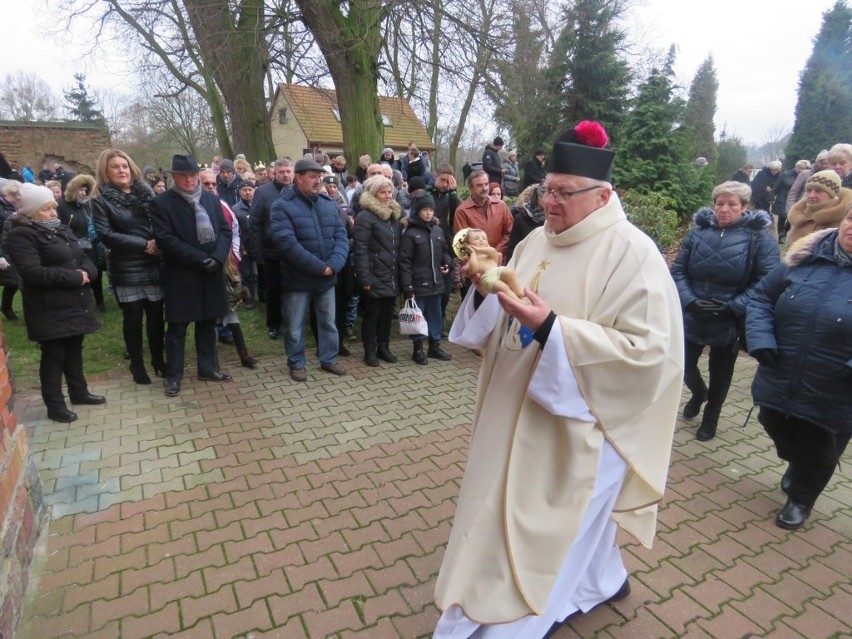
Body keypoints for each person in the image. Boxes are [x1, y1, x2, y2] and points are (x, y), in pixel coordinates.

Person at [433, 120, 684, 639]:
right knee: (547, 526)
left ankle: (506, 627)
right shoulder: (536, 242)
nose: (550, 203)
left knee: (541, 535)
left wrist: (550, 327)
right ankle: (603, 580)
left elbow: (650, 356)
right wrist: (484, 288)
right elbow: (501, 320)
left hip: (581, 425)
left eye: (565, 194)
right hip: (513, 411)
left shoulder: (633, 255)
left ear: (603, 195)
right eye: (548, 190)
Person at [745, 209, 852, 529]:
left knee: (821, 445)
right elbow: (762, 296)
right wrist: (760, 338)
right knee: (772, 417)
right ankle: (799, 462)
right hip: (782, 367)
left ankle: (802, 499)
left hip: (838, 383)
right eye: (851, 220)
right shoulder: (804, 256)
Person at [671, 181, 779, 441]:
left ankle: (712, 415)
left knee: (721, 372)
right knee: (681, 365)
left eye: (732, 204)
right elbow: (678, 271)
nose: (724, 209)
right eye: (720, 203)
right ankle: (698, 393)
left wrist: (734, 306)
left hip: (728, 318)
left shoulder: (758, 237)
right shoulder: (698, 232)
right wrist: (689, 301)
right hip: (693, 313)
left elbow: (767, 281)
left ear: (744, 207)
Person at [5, 184, 105, 423]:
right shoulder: (20, 235)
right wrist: (75, 277)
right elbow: (32, 272)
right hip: (48, 306)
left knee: (74, 348)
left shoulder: (61, 229)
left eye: (53, 208)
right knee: (54, 355)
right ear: (30, 212)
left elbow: (83, 256)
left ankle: (79, 392)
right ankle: (55, 404)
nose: (53, 213)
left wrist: (88, 272)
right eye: (46, 210)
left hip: (74, 303)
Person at [149, 154, 233, 398]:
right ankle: (174, 376)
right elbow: (166, 239)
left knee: (208, 324)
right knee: (177, 329)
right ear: (175, 177)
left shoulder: (210, 199)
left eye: (193, 175)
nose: (189, 179)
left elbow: (225, 231)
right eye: (184, 175)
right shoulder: (162, 203)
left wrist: (217, 258)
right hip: (182, 274)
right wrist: (199, 259)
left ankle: (208, 368)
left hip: (211, 272)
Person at [269, 158, 349, 382]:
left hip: (327, 278)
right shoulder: (282, 206)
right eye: (313, 177)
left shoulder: (327, 203)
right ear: (298, 178)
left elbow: (341, 236)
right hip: (298, 280)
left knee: (328, 322)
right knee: (294, 326)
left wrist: (333, 265)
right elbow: (287, 245)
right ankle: (296, 363)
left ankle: (329, 359)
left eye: (319, 177)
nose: (317, 181)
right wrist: (320, 268)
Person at [91, 149, 166, 384]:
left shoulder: (147, 193)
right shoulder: (100, 199)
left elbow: (161, 221)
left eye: (124, 166)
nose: (121, 170)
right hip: (127, 266)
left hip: (153, 264)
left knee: (156, 318)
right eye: (115, 166)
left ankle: (158, 360)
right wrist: (143, 244)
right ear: (105, 171)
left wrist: (159, 242)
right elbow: (105, 234)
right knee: (133, 319)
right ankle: (137, 364)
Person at [353, 175, 402, 367]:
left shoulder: (393, 215)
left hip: (391, 274)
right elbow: (360, 248)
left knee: (387, 315)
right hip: (373, 274)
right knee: (372, 315)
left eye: (390, 191)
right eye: (383, 192)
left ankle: (384, 347)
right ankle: (370, 351)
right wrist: (364, 277)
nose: (388, 195)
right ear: (374, 194)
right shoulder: (365, 216)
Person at [399, 193, 453, 365]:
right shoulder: (410, 233)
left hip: (437, 283)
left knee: (436, 315)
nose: (429, 213)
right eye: (425, 210)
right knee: (418, 316)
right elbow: (404, 262)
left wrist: (447, 262)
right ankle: (418, 349)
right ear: (417, 211)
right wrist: (407, 287)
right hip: (418, 284)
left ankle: (434, 346)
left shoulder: (438, 230)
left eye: (431, 210)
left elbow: (445, 251)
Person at [248, 158, 294, 339]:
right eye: (281, 171)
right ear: (274, 173)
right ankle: (274, 324)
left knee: (293, 290)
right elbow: (254, 223)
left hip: (294, 251)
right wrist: (258, 253)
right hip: (271, 252)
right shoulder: (263, 193)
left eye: (288, 171)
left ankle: (293, 322)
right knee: (273, 290)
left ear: (293, 173)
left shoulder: (298, 191)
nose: (285, 175)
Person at [58, 174, 107, 313]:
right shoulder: (60, 205)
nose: (83, 193)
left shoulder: (86, 206)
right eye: (80, 189)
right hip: (71, 247)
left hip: (90, 246)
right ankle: (79, 304)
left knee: (96, 274)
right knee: (77, 277)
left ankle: (100, 301)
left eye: (86, 190)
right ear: (72, 189)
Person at [453, 170, 513, 264]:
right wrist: (481, 256)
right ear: (470, 188)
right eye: (479, 185)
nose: (484, 188)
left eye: (486, 184)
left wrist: (494, 251)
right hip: (476, 264)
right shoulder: (462, 211)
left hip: (500, 260)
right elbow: (462, 242)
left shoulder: (501, 206)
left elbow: (509, 232)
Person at [453, 227, 525, 300]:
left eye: (484, 238)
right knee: (503, 288)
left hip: (497, 270)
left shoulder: (489, 253)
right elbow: (474, 270)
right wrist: (473, 253)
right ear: (467, 244)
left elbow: (493, 251)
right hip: (487, 278)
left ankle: (519, 293)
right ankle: (517, 301)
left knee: (510, 273)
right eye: (476, 238)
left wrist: (478, 250)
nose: (481, 240)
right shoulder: (470, 259)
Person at [786, 170, 852, 245]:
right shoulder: (802, 216)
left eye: (818, 191)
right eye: (809, 190)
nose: (811, 195)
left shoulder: (844, 220)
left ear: (832, 194)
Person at [505, 184, 545, 264]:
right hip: (524, 263)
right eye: (545, 195)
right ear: (537, 197)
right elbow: (512, 248)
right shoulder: (521, 218)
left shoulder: (552, 218)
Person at [0, 179, 22, 320]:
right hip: (3, 249)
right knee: (12, 281)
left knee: (15, 281)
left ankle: (6, 308)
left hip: (16, 248)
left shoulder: (16, 207)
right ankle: (6, 308)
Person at [773, 161, 809, 243]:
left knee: (790, 219)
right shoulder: (785, 175)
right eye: (799, 168)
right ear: (795, 167)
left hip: (796, 200)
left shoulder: (805, 176)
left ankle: (785, 232)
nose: (800, 170)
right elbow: (777, 186)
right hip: (783, 199)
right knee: (782, 218)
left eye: (802, 168)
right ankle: (780, 236)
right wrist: (772, 196)